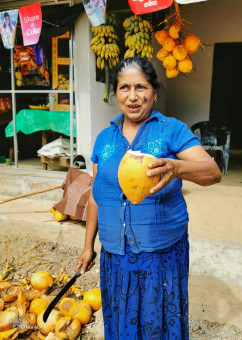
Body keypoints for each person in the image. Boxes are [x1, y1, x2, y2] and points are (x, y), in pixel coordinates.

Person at [75, 57, 221, 339]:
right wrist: (87, 246)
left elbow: (212, 172)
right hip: (115, 257)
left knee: (160, 324)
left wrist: (177, 167)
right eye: (124, 87)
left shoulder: (171, 130)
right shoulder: (105, 139)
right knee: (122, 322)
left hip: (160, 258)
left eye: (141, 87)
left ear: (154, 92)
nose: (132, 97)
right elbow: (97, 195)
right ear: (115, 92)